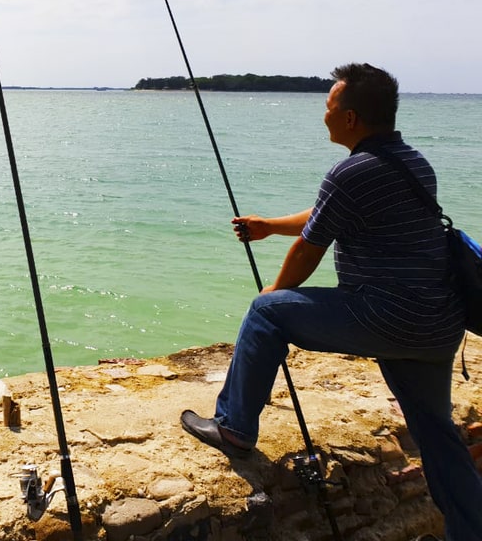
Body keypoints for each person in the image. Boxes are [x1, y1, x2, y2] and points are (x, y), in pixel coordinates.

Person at [179, 63, 482, 540]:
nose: (323, 116)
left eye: (328, 107)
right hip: (437, 326)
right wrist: (270, 226)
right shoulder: (412, 162)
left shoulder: (351, 171)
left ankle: (234, 427)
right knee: (438, 434)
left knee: (266, 313)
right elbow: (328, 215)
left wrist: (274, 292)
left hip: (385, 316)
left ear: (350, 119)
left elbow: (311, 247)